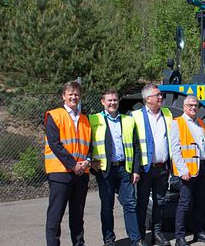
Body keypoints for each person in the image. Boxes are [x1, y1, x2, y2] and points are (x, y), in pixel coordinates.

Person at [88, 89, 143, 246]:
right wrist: (91, 163)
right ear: (103, 102)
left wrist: (135, 170)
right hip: (105, 170)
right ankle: (109, 240)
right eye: (109, 100)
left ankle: (136, 239)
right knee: (107, 207)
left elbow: (136, 146)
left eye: (115, 100)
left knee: (130, 204)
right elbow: (87, 144)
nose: (113, 103)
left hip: (124, 169)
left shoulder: (128, 120)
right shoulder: (93, 120)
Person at [44, 80, 92, 246]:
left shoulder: (85, 119)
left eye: (76, 94)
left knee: (77, 218)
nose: (73, 97)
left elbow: (90, 145)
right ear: (63, 96)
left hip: (81, 175)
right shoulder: (54, 115)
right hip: (60, 173)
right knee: (55, 217)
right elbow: (55, 144)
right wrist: (73, 165)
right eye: (70, 94)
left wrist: (87, 162)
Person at [169, 95, 205, 246]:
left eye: (196, 105)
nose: (193, 108)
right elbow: (175, 150)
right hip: (188, 170)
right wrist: (182, 170)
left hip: (202, 167)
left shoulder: (200, 123)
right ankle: (180, 237)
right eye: (190, 105)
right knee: (184, 203)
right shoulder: (177, 123)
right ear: (184, 107)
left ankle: (199, 232)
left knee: (201, 203)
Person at [131, 84, 173, 246]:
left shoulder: (167, 114)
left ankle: (157, 234)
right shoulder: (136, 116)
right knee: (141, 203)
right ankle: (141, 235)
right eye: (157, 95)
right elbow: (132, 144)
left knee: (160, 202)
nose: (161, 97)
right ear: (148, 99)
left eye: (160, 95)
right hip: (145, 168)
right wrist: (135, 169)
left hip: (162, 167)